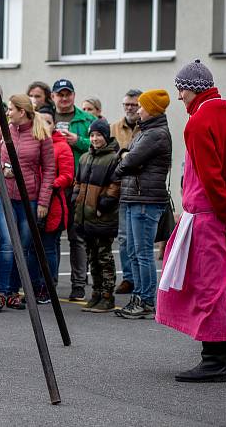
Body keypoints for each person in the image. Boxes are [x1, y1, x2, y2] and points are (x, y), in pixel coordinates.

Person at [156, 60, 226, 383]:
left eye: (180, 90)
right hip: (224, 214)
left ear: (189, 88)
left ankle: (213, 360)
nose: (179, 98)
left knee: (208, 287)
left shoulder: (197, 122)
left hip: (209, 216)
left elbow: (212, 179)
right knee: (220, 285)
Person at [0, 94, 54, 312]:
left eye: (10, 109)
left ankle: (14, 292)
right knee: (6, 243)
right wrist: (0, 169)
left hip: (29, 198)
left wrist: (43, 201)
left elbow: (49, 170)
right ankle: (0, 292)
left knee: (23, 247)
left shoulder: (41, 133)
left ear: (22, 112)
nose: (7, 113)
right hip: (1, 194)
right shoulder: (4, 130)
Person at [113, 89, 172, 319]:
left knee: (142, 252)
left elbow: (128, 163)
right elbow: (126, 157)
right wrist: (126, 159)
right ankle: (139, 297)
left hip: (145, 200)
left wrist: (126, 160)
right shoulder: (144, 131)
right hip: (133, 197)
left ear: (152, 110)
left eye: (141, 106)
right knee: (134, 251)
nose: (138, 109)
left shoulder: (155, 134)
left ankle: (145, 299)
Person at [51, 78, 95, 301]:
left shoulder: (87, 119)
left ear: (74, 96)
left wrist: (78, 140)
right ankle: (52, 282)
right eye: (60, 94)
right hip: (54, 185)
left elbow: (100, 144)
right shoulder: (46, 118)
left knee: (77, 237)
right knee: (53, 236)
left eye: (68, 94)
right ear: (53, 97)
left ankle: (79, 284)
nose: (64, 98)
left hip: (79, 184)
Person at [72, 120, 121, 313]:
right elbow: (78, 182)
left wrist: (103, 205)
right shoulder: (85, 158)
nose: (95, 139)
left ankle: (108, 296)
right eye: (92, 135)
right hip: (86, 216)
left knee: (104, 257)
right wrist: (75, 199)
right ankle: (96, 293)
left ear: (106, 136)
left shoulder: (112, 158)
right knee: (92, 256)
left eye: (98, 135)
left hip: (102, 216)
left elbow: (115, 185)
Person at [32, 104, 74, 297]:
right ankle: (36, 283)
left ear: (54, 124)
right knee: (34, 246)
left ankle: (48, 286)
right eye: (41, 121)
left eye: (48, 122)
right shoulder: (33, 143)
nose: (44, 125)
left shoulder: (61, 146)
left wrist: (48, 185)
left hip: (53, 204)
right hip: (34, 199)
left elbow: (67, 176)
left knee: (49, 247)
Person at [110, 88, 143, 294]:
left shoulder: (146, 128)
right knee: (123, 237)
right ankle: (129, 278)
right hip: (120, 189)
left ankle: (140, 280)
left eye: (134, 105)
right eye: (126, 105)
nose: (130, 108)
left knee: (140, 240)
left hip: (141, 190)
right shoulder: (114, 128)